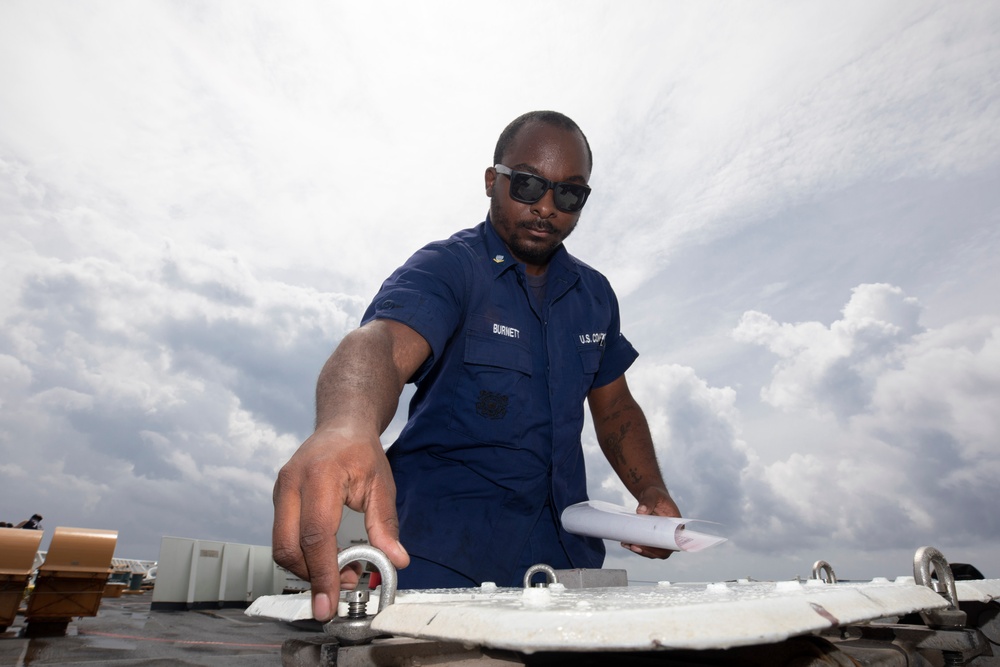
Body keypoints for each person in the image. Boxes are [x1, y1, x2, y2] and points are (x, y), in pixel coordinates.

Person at [273, 111, 680, 622]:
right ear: (493, 180)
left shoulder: (595, 295)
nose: (547, 208)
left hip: (564, 568)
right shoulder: (448, 268)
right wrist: (346, 424)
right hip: (440, 567)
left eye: (569, 194)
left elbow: (616, 408)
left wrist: (651, 492)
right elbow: (378, 344)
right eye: (529, 185)